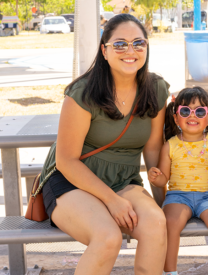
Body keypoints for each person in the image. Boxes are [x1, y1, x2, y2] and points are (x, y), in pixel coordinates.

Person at [40, 14, 169, 275]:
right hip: (72, 181)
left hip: (123, 179)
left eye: (138, 43)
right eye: (120, 44)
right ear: (105, 51)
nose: (130, 51)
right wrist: (111, 200)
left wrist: (163, 199)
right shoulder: (83, 93)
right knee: (108, 237)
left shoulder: (156, 89)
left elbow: (153, 148)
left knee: (156, 224)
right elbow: (66, 161)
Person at [148, 87, 208, 275]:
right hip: (178, 196)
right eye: (185, 111)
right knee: (170, 223)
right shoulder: (170, 145)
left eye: (200, 111)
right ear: (176, 117)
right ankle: (170, 272)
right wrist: (156, 178)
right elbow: (164, 179)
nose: (192, 116)